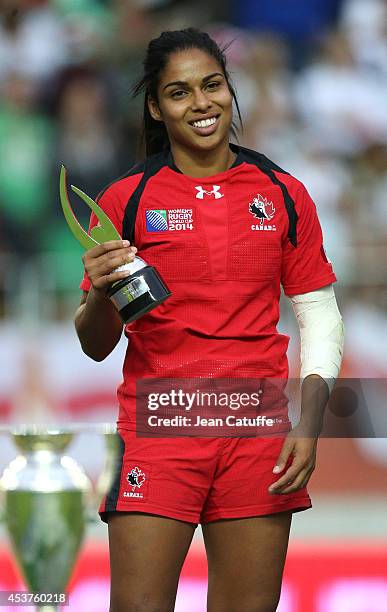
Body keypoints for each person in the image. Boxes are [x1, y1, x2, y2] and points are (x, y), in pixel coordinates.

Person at [74, 28, 344, 612]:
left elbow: (319, 315)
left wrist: (311, 422)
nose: (200, 103)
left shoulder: (283, 192)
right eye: (178, 92)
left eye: (212, 85)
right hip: (156, 432)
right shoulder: (128, 200)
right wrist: (98, 292)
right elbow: (96, 345)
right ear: (156, 106)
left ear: (229, 89)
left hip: (257, 431)